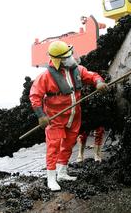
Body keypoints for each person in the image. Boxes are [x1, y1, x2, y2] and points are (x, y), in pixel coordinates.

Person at [29, 40, 108, 191]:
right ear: (58, 60)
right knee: (53, 147)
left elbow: (91, 76)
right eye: (66, 56)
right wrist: (41, 115)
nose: (71, 57)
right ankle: (51, 178)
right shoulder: (45, 77)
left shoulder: (77, 70)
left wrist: (98, 82)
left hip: (74, 116)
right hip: (56, 118)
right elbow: (35, 96)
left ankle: (62, 172)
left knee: (69, 144)